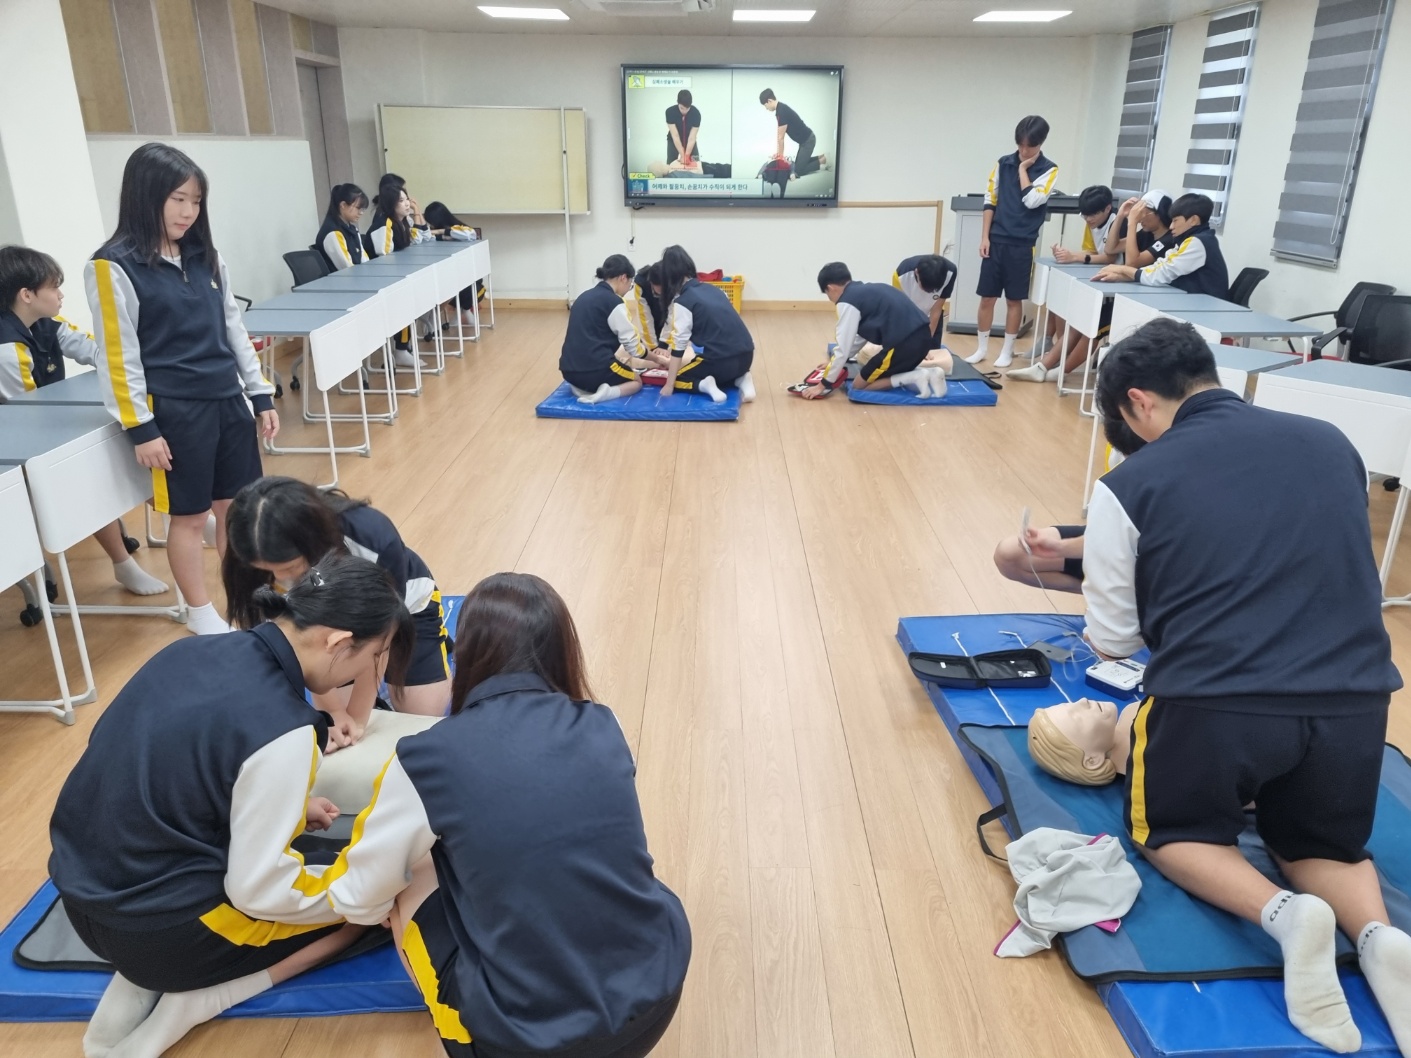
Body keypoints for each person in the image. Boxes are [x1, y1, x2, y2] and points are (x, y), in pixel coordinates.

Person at [1085, 318, 1410, 1055]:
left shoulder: (1128, 485)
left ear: (1137, 402)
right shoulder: (1332, 443)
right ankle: (1379, 936)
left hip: (1219, 705)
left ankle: (1286, 916)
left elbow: (1114, 639)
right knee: (1321, 842)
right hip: (1355, 702)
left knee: (1172, 832)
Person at [48, 553, 413, 1058]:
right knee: (373, 907)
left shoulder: (189, 651)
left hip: (82, 896)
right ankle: (196, 1000)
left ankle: (141, 983)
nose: (369, 670)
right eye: (374, 655)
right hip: (161, 935)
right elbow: (260, 890)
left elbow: (162, 770)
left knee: (318, 872)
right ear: (337, 642)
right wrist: (367, 892)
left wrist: (290, 804)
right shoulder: (284, 728)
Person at [321, 571, 691, 1058]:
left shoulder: (426, 758)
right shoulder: (606, 722)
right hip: (656, 1002)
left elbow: (357, 897)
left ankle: (458, 1030)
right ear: (564, 650)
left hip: (524, 1044)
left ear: (466, 655)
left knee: (408, 876)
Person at [86, 142, 278, 636]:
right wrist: (141, 428)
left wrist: (259, 394)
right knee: (190, 518)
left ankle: (249, 600)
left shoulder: (206, 257)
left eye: (195, 201)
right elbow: (118, 356)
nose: (188, 211)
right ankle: (199, 611)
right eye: (178, 199)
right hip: (175, 411)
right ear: (145, 196)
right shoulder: (112, 266)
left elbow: (233, 328)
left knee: (237, 512)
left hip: (227, 401)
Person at [0, 245, 170, 598]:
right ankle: (122, 562)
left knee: (123, 442)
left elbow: (97, 351)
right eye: (54, 287)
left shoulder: (47, 324)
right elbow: (24, 418)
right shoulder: (6, 350)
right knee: (84, 471)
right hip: (14, 450)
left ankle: (184, 515)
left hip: (42, 430)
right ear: (27, 295)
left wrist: (130, 367)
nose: (61, 294)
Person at [223, 475, 452, 725]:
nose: (279, 578)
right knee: (337, 716)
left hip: (399, 613)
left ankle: (428, 650)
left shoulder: (372, 538)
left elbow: (381, 633)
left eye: (289, 567)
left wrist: (358, 716)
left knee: (420, 718)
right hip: (327, 630)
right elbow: (297, 643)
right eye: (264, 569)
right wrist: (333, 713)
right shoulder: (248, 552)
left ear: (313, 541)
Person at [1007, 190, 1174, 384]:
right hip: (1127, 293)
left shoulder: (1167, 240)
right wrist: (1122, 216)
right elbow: (1111, 249)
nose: (1141, 218)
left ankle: (1061, 370)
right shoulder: (1146, 234)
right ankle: (1043, 367)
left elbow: (1132, 263)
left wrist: (1131, 224)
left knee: (1092, 326)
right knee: (1081, 320)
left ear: (1159, 214)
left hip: (1144, 302)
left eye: (1144, 214)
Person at [992, 417, 1145, 592]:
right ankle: (1099, 595)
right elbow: (1110, 538)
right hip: (1118, 541)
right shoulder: (1122, 438)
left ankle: (1120, 600)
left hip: (1146, 559)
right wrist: (1059, 548)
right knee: (1009, 556)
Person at [968, 115, 1059, 370]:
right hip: (996, 239)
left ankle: (1007, 350)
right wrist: (985, 237)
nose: (1023, 151)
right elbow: (990, 200)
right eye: (1020, 145)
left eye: (1030, 146)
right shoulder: (1003, 163)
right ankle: (981, 348)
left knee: (1013, 300)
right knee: (987, 298)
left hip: (1022, 244)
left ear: (1041, 143)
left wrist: (1022, 170)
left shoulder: (1050, 169)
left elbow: (1032, 201)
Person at [801, 262, 949, 400]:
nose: (830, 299)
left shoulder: (847, 301)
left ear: (831, 288)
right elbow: (858, 338)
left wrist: (822, 385)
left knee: (858, 387)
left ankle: (915, 377)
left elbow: (843, 348)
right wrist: (835, 362)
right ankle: (931, 373)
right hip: (923, 339)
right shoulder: (867, 291)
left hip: (903, 345)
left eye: (827, 294)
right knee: (886, 372)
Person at [656, 244, 756, 403]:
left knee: (679, 377)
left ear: (668, 277)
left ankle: (705, 385)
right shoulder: (715, 290)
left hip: (720, 363)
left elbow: (679, 346)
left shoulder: (683, 302)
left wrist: (669, 384)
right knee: (721, 366)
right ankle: (743, 379)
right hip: (746, 358)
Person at [1093, 192, 1230, 299]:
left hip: (1203, 306)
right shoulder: (1189, 239)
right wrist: (1123, 275)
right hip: (1192, 300)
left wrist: (1123, 269)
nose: (1171, 226)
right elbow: (1160, 266)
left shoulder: (1197, 242)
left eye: (1175, 221)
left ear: (1193, 220)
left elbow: (1159, 274)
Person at [560, 255, 656, 405]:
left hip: (568, 371)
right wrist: (657, 359)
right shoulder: (614, 302)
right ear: (623, 278)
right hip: (595, 370)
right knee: (636, 381)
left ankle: (583, 389)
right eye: (630, 284)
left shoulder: (582, 297)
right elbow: (634, 347)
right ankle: (603, 394)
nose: (628, 290)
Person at [1028, 699, 1140, 784]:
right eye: (1078, 718)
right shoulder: (1143, 764)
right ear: (1093, 760)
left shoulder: (1130, 712)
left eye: (1071, 704)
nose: (1083, 700)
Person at [422, 201, 485, 327]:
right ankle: (432, 319)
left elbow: (471, 234)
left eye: (431, 221)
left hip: (469, 281)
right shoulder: (432, 233)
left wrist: (440, 231)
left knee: (450, 288)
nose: (431, 225)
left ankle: (438, 318)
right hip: (449, 277)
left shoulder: (459, 229)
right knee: (440, 287)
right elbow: (425, 238)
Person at [760, 89, 827, 177]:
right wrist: (779, 155)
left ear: (769, 101)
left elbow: (780, 138)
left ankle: (823, 161)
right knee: (797, 165)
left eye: (765, 106)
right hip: (805, 141)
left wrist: (780, 159)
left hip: (808, 141)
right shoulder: (781, 108)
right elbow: (780, 137)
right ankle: (821, 157)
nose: (766, 109)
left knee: (798, 171)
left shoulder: (781, 112)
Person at [892, 254, 957, 338]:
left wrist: (928, 338)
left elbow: (937, 308)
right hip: (909, 313)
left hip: (933, 312)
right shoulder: (901, 275)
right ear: (916, 273)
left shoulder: (950, 272)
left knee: (932, 343)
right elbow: (900, 309)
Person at [314, 183, 370, 272]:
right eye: (358, 208)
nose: (361, 213)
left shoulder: (352, 229)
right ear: (343, 205)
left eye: (362, 209)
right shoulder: (333, 233)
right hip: (343, 279)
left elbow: (364, 259)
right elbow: (347, 267)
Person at [627, 260, 664, 350]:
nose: (661, 293)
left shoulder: (675, 282)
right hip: (652, 314)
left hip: (666, 319)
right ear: (651, 283)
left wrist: (665, 345)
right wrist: (653, 347)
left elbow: (673, 316)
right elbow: (645, 318)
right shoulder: (641, 283)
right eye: (658, 290)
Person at [665, 89, 700, 166]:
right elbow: (675, 136)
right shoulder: (670, 112)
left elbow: (692, 138)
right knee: (670, 165)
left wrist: (686, 156)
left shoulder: (696, 114)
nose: (684, 111)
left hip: (690, 140)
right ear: (678, 103)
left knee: (696, 163)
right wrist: (683, 155)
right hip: (673, 140)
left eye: (687, 108)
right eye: (681, 108)